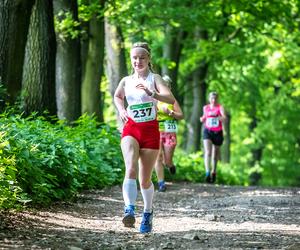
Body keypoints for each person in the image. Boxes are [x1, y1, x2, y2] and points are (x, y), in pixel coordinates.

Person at [113, 42, 175, 233]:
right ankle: (129, 209)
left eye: (142, 57)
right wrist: (122, 109)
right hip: (131, 128)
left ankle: (147, 213)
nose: (138, 61)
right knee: (130, 168)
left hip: (150, 131)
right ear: (131, 60)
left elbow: (170, 98)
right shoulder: (126, 81)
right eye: (134, 58)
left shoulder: (154, 78)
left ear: (148, 59)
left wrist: (152, 93)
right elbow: (117, 96)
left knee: (145, 180)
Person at [154, 75, 184, 192]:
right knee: (158, 157)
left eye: (166, 85)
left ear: (169, 87)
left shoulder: (172, 100)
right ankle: (161, 183)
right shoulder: (155, 99)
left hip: (169, 131)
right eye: (161, 85)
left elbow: (181, 115)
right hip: (157, 130)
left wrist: (171, 112)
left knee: (167, 160)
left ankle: (171, 165)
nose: (163, 87)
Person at [199, 92, 226, 184]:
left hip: (218, 132)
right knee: (208, 152)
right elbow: (204, 117)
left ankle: (213, 171)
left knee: (215, 154)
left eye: (215, 99)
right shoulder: (205, 108)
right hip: (208, 131)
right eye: (212, 98)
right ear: (209, 99)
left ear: (217, 99)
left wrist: (218, 117)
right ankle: (207, 172)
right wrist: (202, 119)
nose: (213, 100)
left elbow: (224, 118)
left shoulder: (220, 107)